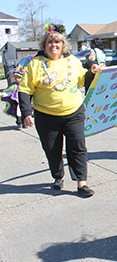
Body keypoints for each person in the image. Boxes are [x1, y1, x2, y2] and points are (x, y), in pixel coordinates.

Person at [18, 23, 100, 198]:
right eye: (50, 42)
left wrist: (93, 72)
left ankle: (81, 182)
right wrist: (26, 113)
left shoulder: (72, 61)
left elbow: (83, 80)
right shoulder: (36, 64)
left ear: (63, 45)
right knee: (52, 149)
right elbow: (24, 89)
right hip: (46, 116)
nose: (54, 46)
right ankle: (58, 176)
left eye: (57, 43)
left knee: (78, 147)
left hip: (74, 113)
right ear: (44, 45)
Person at [1, 64, 26, 129]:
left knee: (23, 112)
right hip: (15, 100)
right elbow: (9, 92)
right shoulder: (13, 86)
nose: (17, 79)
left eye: (19, 78)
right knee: (17, 113)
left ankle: (24, 122)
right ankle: (19, 123)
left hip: (23, 100)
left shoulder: (24, 85)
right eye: (15, 78)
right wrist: (3, 94)